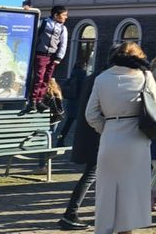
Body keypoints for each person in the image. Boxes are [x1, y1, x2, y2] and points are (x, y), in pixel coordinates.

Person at [85, 42, 156, 234]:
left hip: (110, 137)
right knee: (131, 192)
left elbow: (91, 114)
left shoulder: (102, 78)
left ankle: (104, 229)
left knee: (106, 191)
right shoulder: (145, 76)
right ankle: (126, 230)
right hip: (136, 138)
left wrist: (108, 128)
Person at [57, 73, 100, 231]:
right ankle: (70, 214)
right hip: (99, 137)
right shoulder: (103, 79)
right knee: (91, 175)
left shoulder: (92, 77)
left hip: (90, 135)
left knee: (91, 175)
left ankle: (71, 213)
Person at [21, 5, 69, 115]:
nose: (66, 17)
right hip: (41, 54)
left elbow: (63, 44)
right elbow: (30, 24)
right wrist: (27, 12)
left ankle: (39, 100)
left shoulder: (62, 28)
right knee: (39, 77)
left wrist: (59, 57)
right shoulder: (44, 23)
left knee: (46, 79)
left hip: (52, 56)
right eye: (64, 15)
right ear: (56, 15)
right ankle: (32, 100)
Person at [56, 56, 88, 146]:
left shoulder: (72, 76)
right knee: (81, 126)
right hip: (79, 105)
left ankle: (60, 140)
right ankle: (80, 143)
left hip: (71, 104)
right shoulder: (83, 77)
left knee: (67, 125)